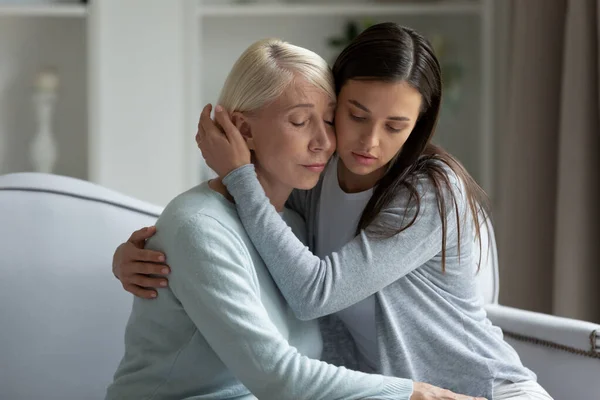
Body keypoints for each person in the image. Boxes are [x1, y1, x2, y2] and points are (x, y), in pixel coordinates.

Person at [107, 38, 478, 400]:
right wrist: (411, 392)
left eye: (330, 121)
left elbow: (317, 314)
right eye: (300, 121)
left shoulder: (296, 224)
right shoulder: (199, 227)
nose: (325, 142)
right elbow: (282, 379)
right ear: (244, 129)